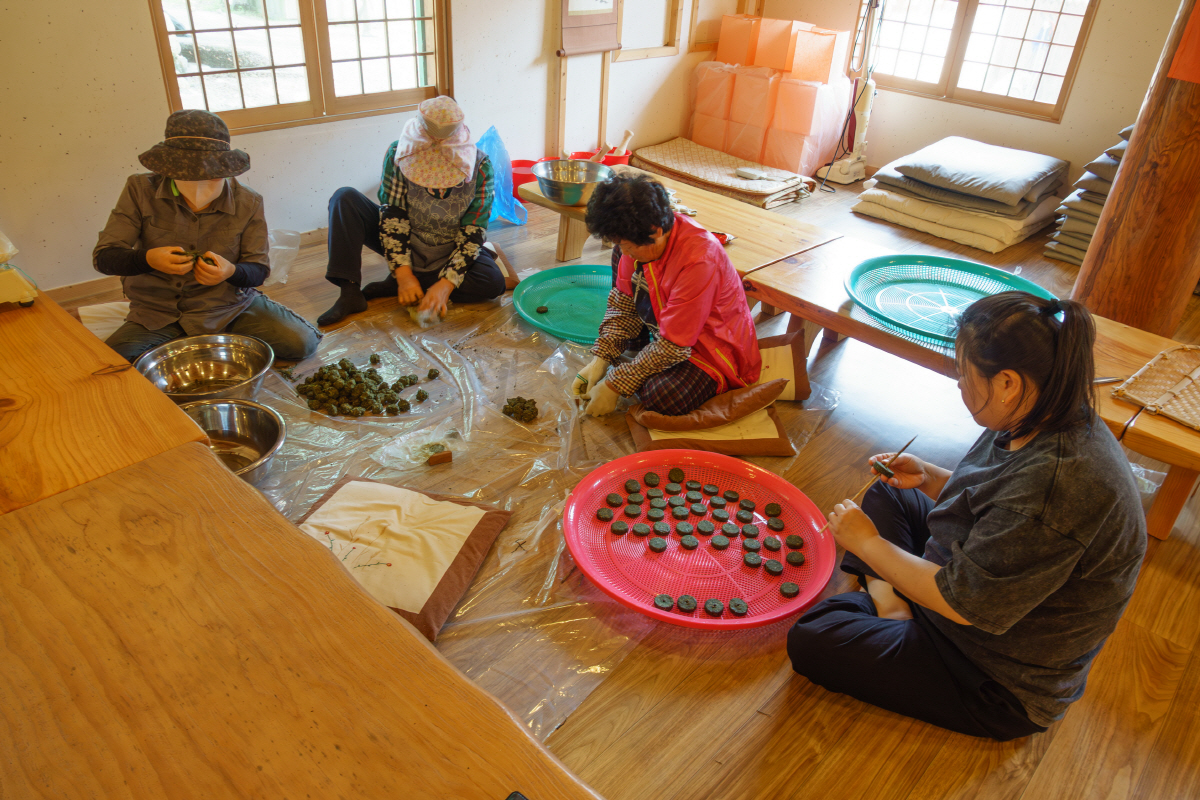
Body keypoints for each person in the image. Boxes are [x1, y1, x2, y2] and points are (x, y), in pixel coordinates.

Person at [787, 292, 1146, 740]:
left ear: (1008, 383)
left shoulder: (1057, 486)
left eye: (964, 374)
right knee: (887, 494)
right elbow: (995, 498)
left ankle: (896, 607)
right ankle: (896, 608)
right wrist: (931, 478)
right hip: (974, 580)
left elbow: (963, 605)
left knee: (815, 636)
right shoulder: (1041, 412)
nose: (959, 384)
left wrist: (868, 546)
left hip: (993, 674)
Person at [94, 109, 321, 363]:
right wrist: (148, 259)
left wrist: (230, 272)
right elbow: (104, 257)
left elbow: (258, 270)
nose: (200, 187)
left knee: (301, 342)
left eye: (211, 177)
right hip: (158, 311)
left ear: (226, 167)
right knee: (113, 363)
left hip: (228, 307)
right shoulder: (139, 190)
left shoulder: (248, 201)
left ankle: (195, 343)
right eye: (188, 177)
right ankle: (200, 343)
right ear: (169, 168)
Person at [574, 173, 761, 416]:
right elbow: (623, 305)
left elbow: (674, 345)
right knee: (619, 259)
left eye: (630, 246)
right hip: (667, 328)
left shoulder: (699, 261)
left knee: (662, 395)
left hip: (709, 348)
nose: (627, 253)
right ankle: (642, 354)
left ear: (657, 231)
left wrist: (613, 386)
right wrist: (601, 359)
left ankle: (656, 365)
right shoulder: (636, 243)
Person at [317, 96, 505, 326]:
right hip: (406, 239)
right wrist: (404, 274)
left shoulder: (480, 166)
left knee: (494, 283)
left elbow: (474, 231)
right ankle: (350, 292)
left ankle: (409, 282)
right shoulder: (399, 153)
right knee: (344, 198)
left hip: (448, 248)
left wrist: (446, 285)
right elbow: (393, 217)